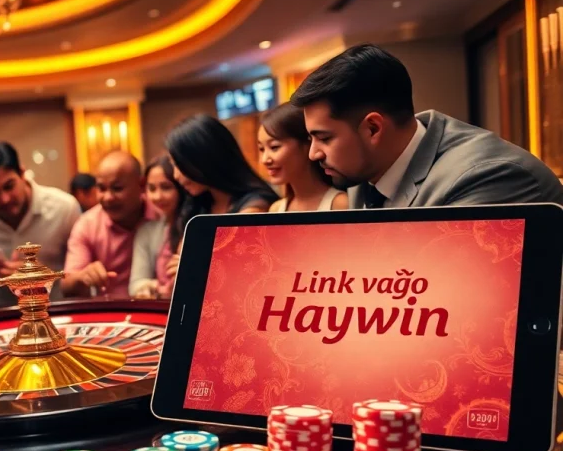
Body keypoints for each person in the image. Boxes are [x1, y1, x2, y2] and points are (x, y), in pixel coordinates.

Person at [290, 43, 563, 208]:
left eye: (324, 138)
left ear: (373, 128)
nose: (314, 153)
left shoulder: (487, 177)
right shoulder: (362, 175)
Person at [0, 141, 82, 307]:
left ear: (22, 173)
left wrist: (38, 276)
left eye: (9, 186)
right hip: (0, 314)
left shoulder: (64, 208)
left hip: (57, 309)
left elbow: (81, 272)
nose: (5, 198)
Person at [163, 114, 278, 282]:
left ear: (203, 159)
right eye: (173, 165)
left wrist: (194, 265)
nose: (176, 175)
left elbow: (236, 265)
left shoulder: (257, 204)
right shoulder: (199, 202)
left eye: (179, 165)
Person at [61, 151, 161, 298]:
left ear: (141, 185)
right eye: (101, 188)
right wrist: (84, 276)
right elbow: (66, 285)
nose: (108, 197)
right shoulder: (88, 224)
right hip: (110, 313)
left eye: (117, 188)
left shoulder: (162, 214)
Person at [258, 102, 347, 212]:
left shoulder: (340, 204)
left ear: (307, 145)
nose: (265, 159)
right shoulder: (275, 209)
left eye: (274, 147)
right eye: (261, 149)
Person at [130, 155, 186, 299]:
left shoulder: (196, 225)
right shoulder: (146, 231)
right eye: (152, 188)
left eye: (166, 187)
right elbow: (136, 283)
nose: (158, 196)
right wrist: (150, 287)